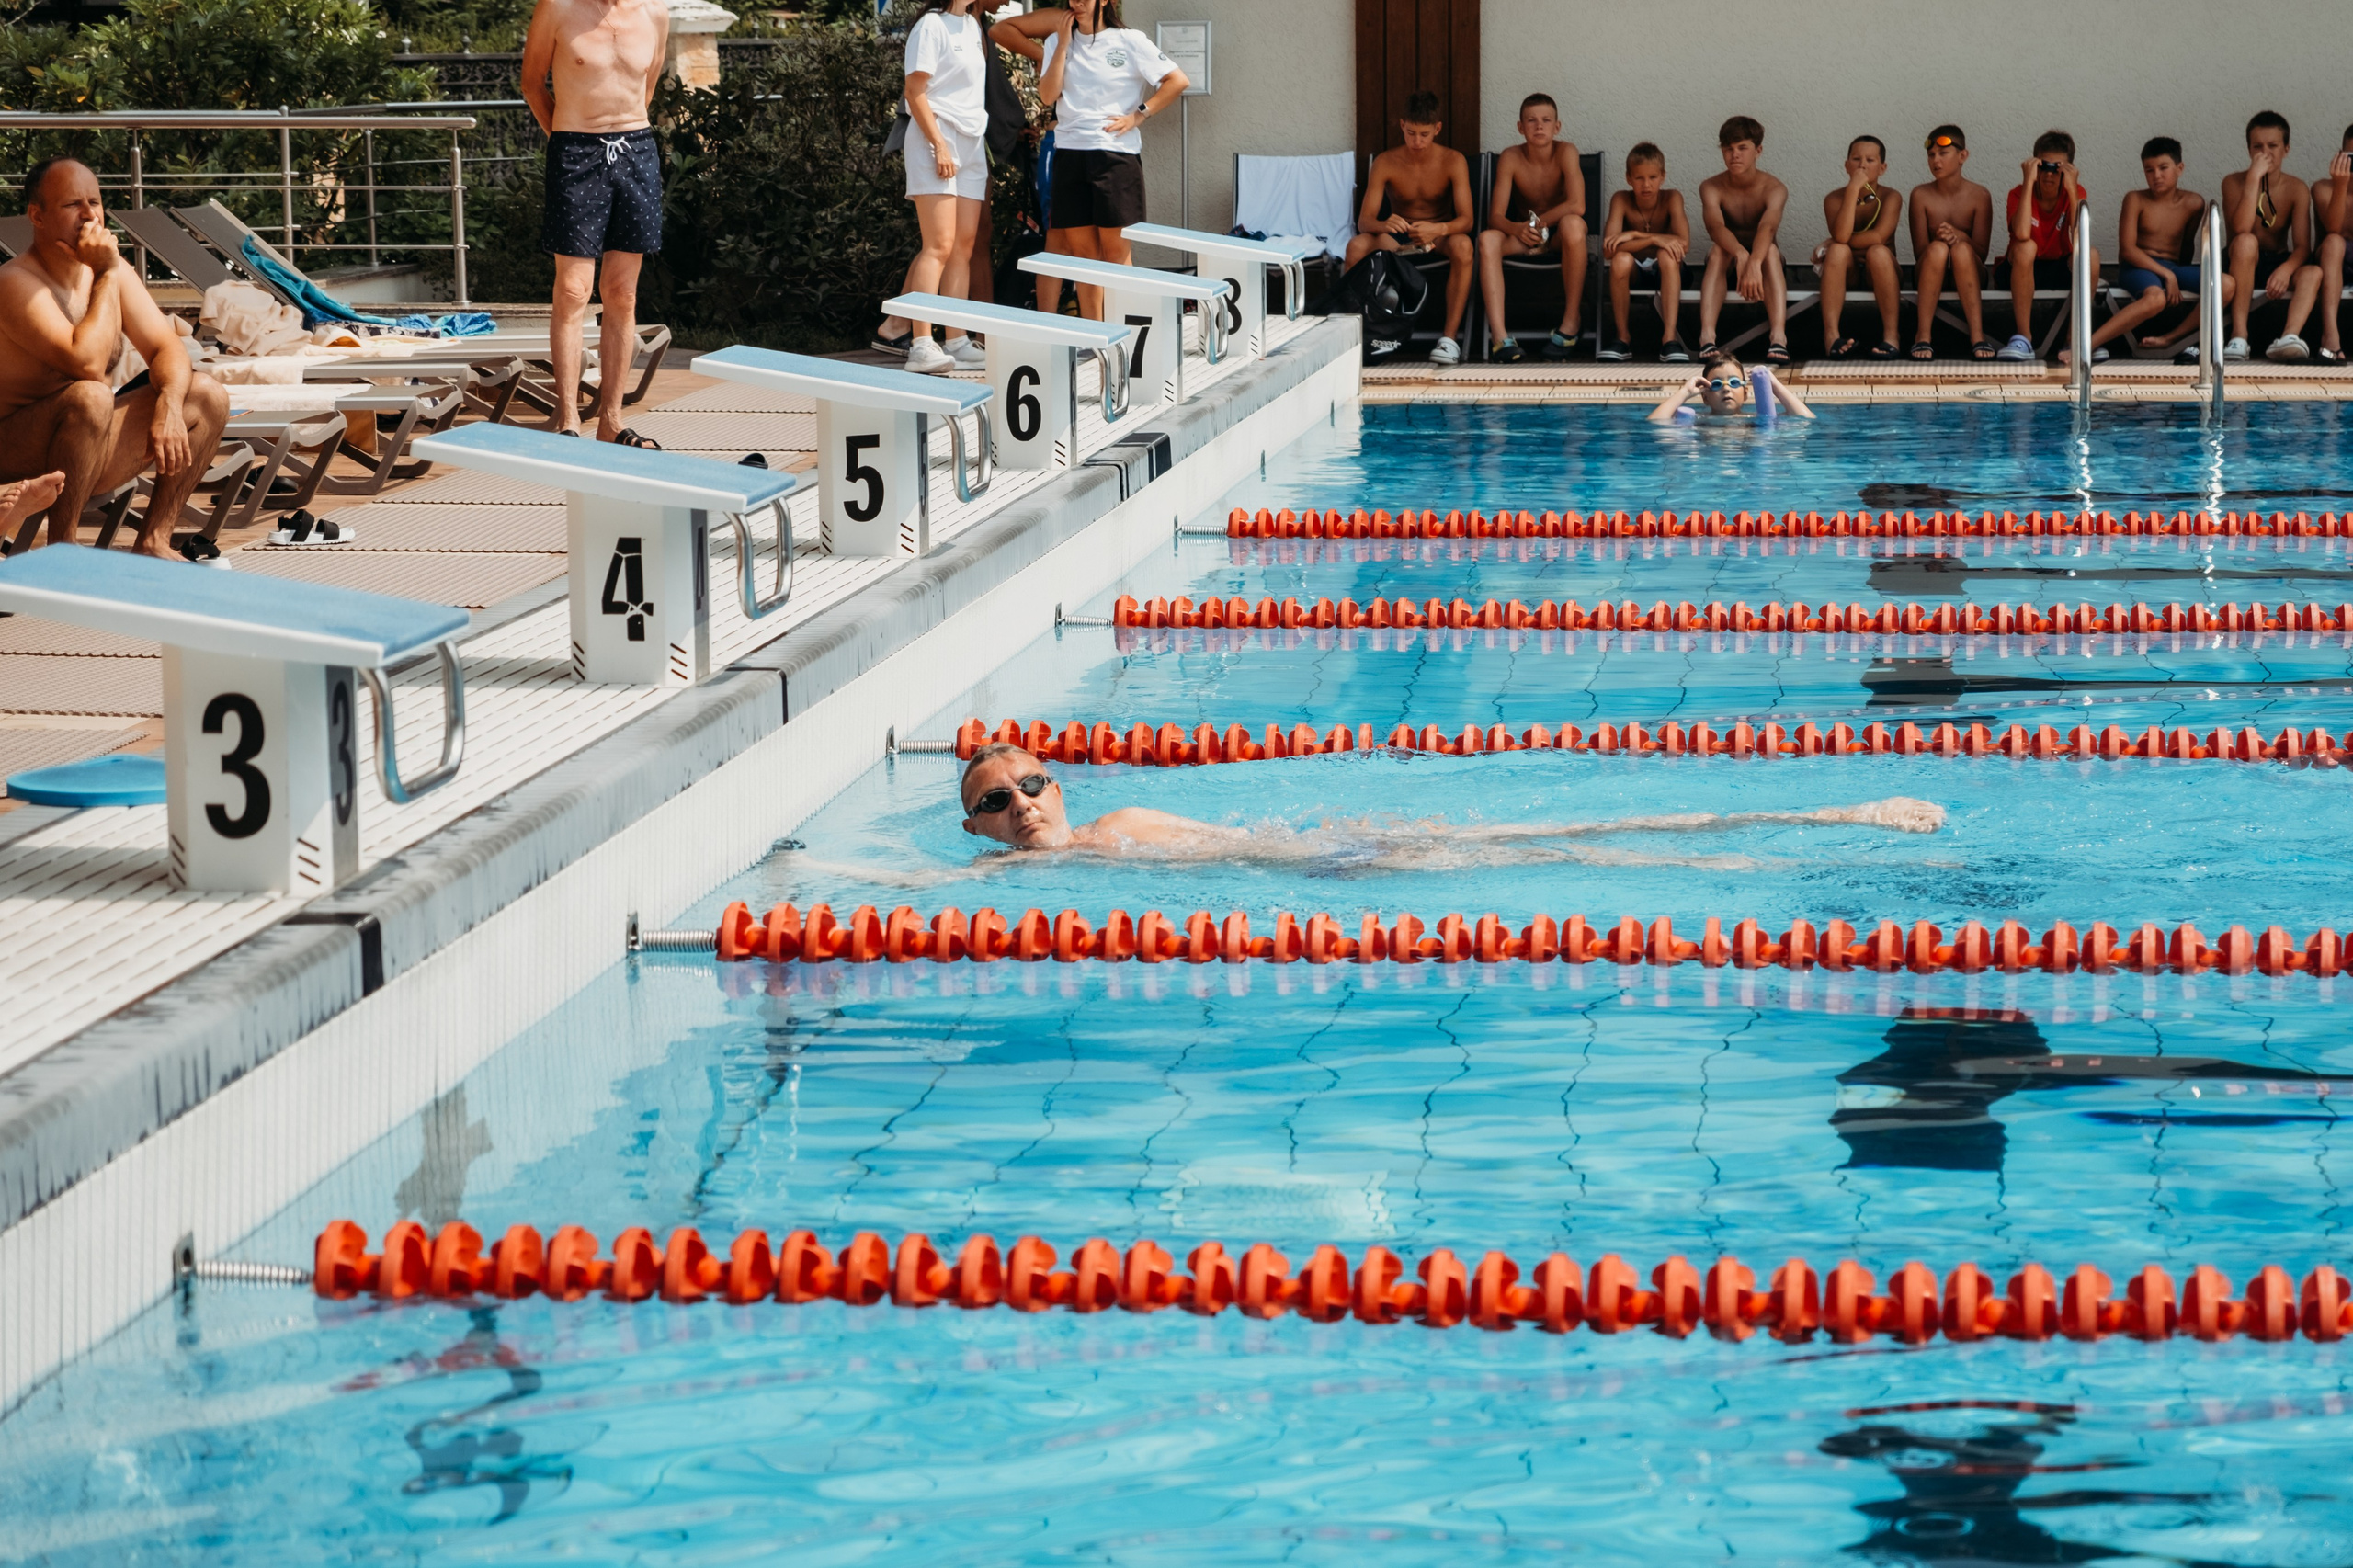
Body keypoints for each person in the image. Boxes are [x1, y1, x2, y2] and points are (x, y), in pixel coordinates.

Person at [957, 743, 1937, 860]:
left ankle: (1839, 816)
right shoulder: (1006, 879)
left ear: (1062, 783)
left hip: (1348, 852)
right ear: (981, 825)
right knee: (1570, 849)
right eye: (999, 800)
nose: (1023, 803)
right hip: (1338, 868)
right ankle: (1802, 833)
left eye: (1032, 783)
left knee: (1574, 838)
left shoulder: (1117, 831)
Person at [0, 157, 228, 555]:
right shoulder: (16, 282)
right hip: (15, 452)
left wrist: (171, 405)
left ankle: (154, 539)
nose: (89, 215)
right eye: (73, 204)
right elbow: (85, 362)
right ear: (37, 215)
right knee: (92, 393)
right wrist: (105, 273)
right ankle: (63, 549)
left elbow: (166, 346)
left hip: (89, 447)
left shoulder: (111, 270)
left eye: (95, 202)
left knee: (207, 395)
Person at [520, 0, 668, 438]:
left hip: (636, 153)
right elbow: (532, 85)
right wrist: (567, 142)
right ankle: (567, 420)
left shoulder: (655, 13)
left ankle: (611, 420)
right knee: (572, 289)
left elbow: (648, 89)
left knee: (622, 294)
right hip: (576, 152)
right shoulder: (558, 7)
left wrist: (619, 134)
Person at [993, 0, 1186, 324]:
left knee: (1116, 253)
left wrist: (1138, 116)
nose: (1076, 3)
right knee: (1083, 256)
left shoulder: (1130, 40)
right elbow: (1047, 96)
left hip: (1115, 157)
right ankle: (1094, 335)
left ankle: (1127, 332)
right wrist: (1063, 45)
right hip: (1070, 154)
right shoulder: (1057, 40)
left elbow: (1177, 80)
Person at [873, 0, 1029, 357]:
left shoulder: (973, 27)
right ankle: (922, 343)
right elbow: (915, 93)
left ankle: (956, 340)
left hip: (972, 143)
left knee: (963, 247)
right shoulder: (930, 26)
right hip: (936, 139)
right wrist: (940, 145)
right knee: (938, 246)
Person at [1344, 90, 1477, 367]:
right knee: (1356, 246)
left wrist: (1438, 228)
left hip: (1436, 236)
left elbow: (1467, 220)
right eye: (1411, 132)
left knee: (1464, 245)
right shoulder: (1386, 162)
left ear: (1437, 129)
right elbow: (1364, 221)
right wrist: (1384, 224)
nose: (1417, 141)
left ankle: (1449, 339)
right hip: (1395, 237)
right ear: (1402, 125)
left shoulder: (1453, 161)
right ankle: (1351, 334)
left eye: (1425, 134)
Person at [2082, 137, 2232, 363]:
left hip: (2173, 268)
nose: (2156, 176)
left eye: (2163, 168)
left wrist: (2175, 274)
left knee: (2227, 284)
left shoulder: (2194, 203)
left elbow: (2187, 247)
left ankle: (2172, 338)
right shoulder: (2135, 199)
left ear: (2180, 168)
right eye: (2149, 170)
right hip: (2137, 267)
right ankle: (2086, 346)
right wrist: (2167, 276)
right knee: (2156, 299)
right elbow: (2128, 250)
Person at [1477, 93, 1588, 363]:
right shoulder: (1511, 157)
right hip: (1526, 236)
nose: (1539, 126)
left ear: (1557, 127)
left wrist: (1540, 223)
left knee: (1574, 225)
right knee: (1487, 239)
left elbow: (1577, 204)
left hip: (1557, 235)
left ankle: (1571, 322)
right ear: (1520, 127)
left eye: (1546, 120)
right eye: (1531, 120)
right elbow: (1495, 217)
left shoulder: (1566, 151)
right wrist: (1517, 229)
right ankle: (1500, 338)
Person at [2221, 109, 2321, 362]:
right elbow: (2241, 230)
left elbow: (2301, 247)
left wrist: (2287, 269)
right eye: (2258, 146)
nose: (2265, 153)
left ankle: (2289, 337)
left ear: (2286, 149)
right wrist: (2254, 178)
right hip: (2240, 262)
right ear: (2248, 149)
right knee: (2246, 242)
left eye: (2273, 145)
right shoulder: (2232, 182)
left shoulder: (2297, 189)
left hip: (2277, 261)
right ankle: (2239, 336)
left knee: (2313, 272)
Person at [1696, 115, 1790, 364]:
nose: (1734, 155)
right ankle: (1707, 337)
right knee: (1718, 251)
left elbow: (1768, 228)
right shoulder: (1711, 186)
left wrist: (1754, 262)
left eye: (1742, 148)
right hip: (1729, 256)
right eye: (1728, 149)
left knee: (1769, 251)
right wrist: (1740, 254)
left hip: (1764, 260)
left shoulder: (1774, 187)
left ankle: (1779, 337)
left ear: (1758, 150)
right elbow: (1715, 227)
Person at [1995, 130, 2094, 361]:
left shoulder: (2075, 193)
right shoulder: (2018, 193)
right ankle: (2023, 338)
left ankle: (2073, 341)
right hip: (2019, 268)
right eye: (2044, 167)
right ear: (2034, 165)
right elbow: (2021, 233)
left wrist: (2071, 188)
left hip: (2056, 267)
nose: (2049, 174)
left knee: (2092, 255)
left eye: (2057, 168)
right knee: (2026, 246)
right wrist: (2028, 181)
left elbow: (2078, 234)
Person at [1907, 124, 1995, 360]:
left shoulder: (1980, 196)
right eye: (1931, 154)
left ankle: (1977, 336)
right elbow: (1919, 253)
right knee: (1937, 249)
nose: (1936, 160)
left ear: (1962, 156)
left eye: (1943, 153)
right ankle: (1923, 335)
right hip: (1930, 268)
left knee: (1963, 251)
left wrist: (1960, 237)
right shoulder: (1920, 195)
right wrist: (1941, 241)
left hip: (1970, 270)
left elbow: (1982, 253)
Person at [1598, 143, 1690, 362]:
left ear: (1663, 177)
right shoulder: (1621, 199)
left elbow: (1683, 243)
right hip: (1635, 273)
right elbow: (1608, 250)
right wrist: (1651, 238)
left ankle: (1669, 340)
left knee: (1667, 254)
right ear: (1629, 178)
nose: (1646, 185)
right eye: (1639, 178)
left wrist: (1633, 235)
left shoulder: (1672, 198)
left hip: (1670, 271)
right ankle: (1622, 339)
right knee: (1620, 259)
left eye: (1652, 177)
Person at [1814, 135, 1903, 358]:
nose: (1862, 165)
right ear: (1846, 165)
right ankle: (1831, 336)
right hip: (1848, 271)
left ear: (1882, 168)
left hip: (1882, 272)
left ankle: (1892, 336)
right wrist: (1853, 190)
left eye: (1870, 160)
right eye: (1856, 159)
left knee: (1877, 252)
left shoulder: (1891, 197)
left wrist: (1835, 240)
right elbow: (1842, 237)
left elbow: (1878, 237)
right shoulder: (1834, 199)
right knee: (1838, 251)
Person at [1646, 349, 1815, 423]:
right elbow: (1655, 422)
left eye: (1734, 383)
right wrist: (1684, 392)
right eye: (1717, 384)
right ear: (1705, 397)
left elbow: (1805, 419)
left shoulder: (1755, 420)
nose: (1726, 388)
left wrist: (1773, 383)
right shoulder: (1699, 421)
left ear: (1746, 392)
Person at [2304, 125, 2353, 364]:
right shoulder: (2323, 188)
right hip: (2333, 262)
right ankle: (2330, 336)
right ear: (2341, 156)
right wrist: (2342, 184)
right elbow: (2334, 228)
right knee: (2335, 241)